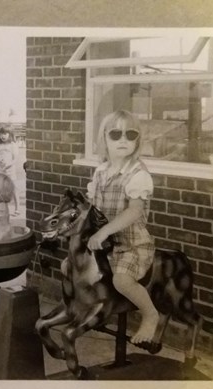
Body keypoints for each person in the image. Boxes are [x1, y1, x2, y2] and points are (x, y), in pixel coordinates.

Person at [86, 109, 158, 346]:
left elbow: (134, 211)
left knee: (121, 281)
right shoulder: (100, 173)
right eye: (115, 134)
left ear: (138, 141)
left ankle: (149, 314)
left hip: (131, 243)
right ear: (104, 139)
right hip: (106, 243)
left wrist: (105, 231)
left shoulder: (138, 174)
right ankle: (95, 310)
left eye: (131, 134)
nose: (123, 140)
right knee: (71, 266)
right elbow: (93, 208)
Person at [0, 127, 19, 216]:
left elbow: (15, 159)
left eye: (5, 134)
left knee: (13, 188)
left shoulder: (13, 145)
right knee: (1, 189)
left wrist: (9, 165)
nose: (3, 136)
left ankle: (17, 208)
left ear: (10, 135)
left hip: (10, 170)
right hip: (1, 170)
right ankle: (4, 209)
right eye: (1, 134)